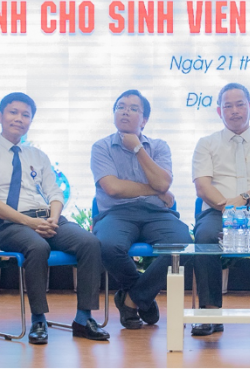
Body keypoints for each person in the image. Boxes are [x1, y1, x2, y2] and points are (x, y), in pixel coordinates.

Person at [0, 92, 109, 345]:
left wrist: (53, 218)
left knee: (90, 243)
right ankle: (38, 319)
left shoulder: (38, 156)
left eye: (25, 115)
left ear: (30, 121)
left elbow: (55, 192)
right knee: (37, 246)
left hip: (48, 219)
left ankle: (83, 318)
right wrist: (30, 223)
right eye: (13, 112)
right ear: (0, 116)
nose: (19, 119)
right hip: (12, 225)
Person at [91, 89, 193, 330]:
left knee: (183, 245)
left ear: (144, 120)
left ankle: (131, 299)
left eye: (133, 108)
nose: (125, 112)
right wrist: (154, 191)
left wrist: (138, 148)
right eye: (120, 107)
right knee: (107, 246)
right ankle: (142, 296)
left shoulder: (159, 146)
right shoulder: (101, 147)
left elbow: (164, 183)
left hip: (156, 214)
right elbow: (113, 188)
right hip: (116, 213)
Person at [190, 83, 250, 337]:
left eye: (240, 104)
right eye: (227, 106)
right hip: (216, 212)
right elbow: (202, 186)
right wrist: (227, 208)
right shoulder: (206, 143)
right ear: (219, 111)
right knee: (205, 238)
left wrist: (241, 200)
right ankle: (210, 314)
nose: (234, 111)